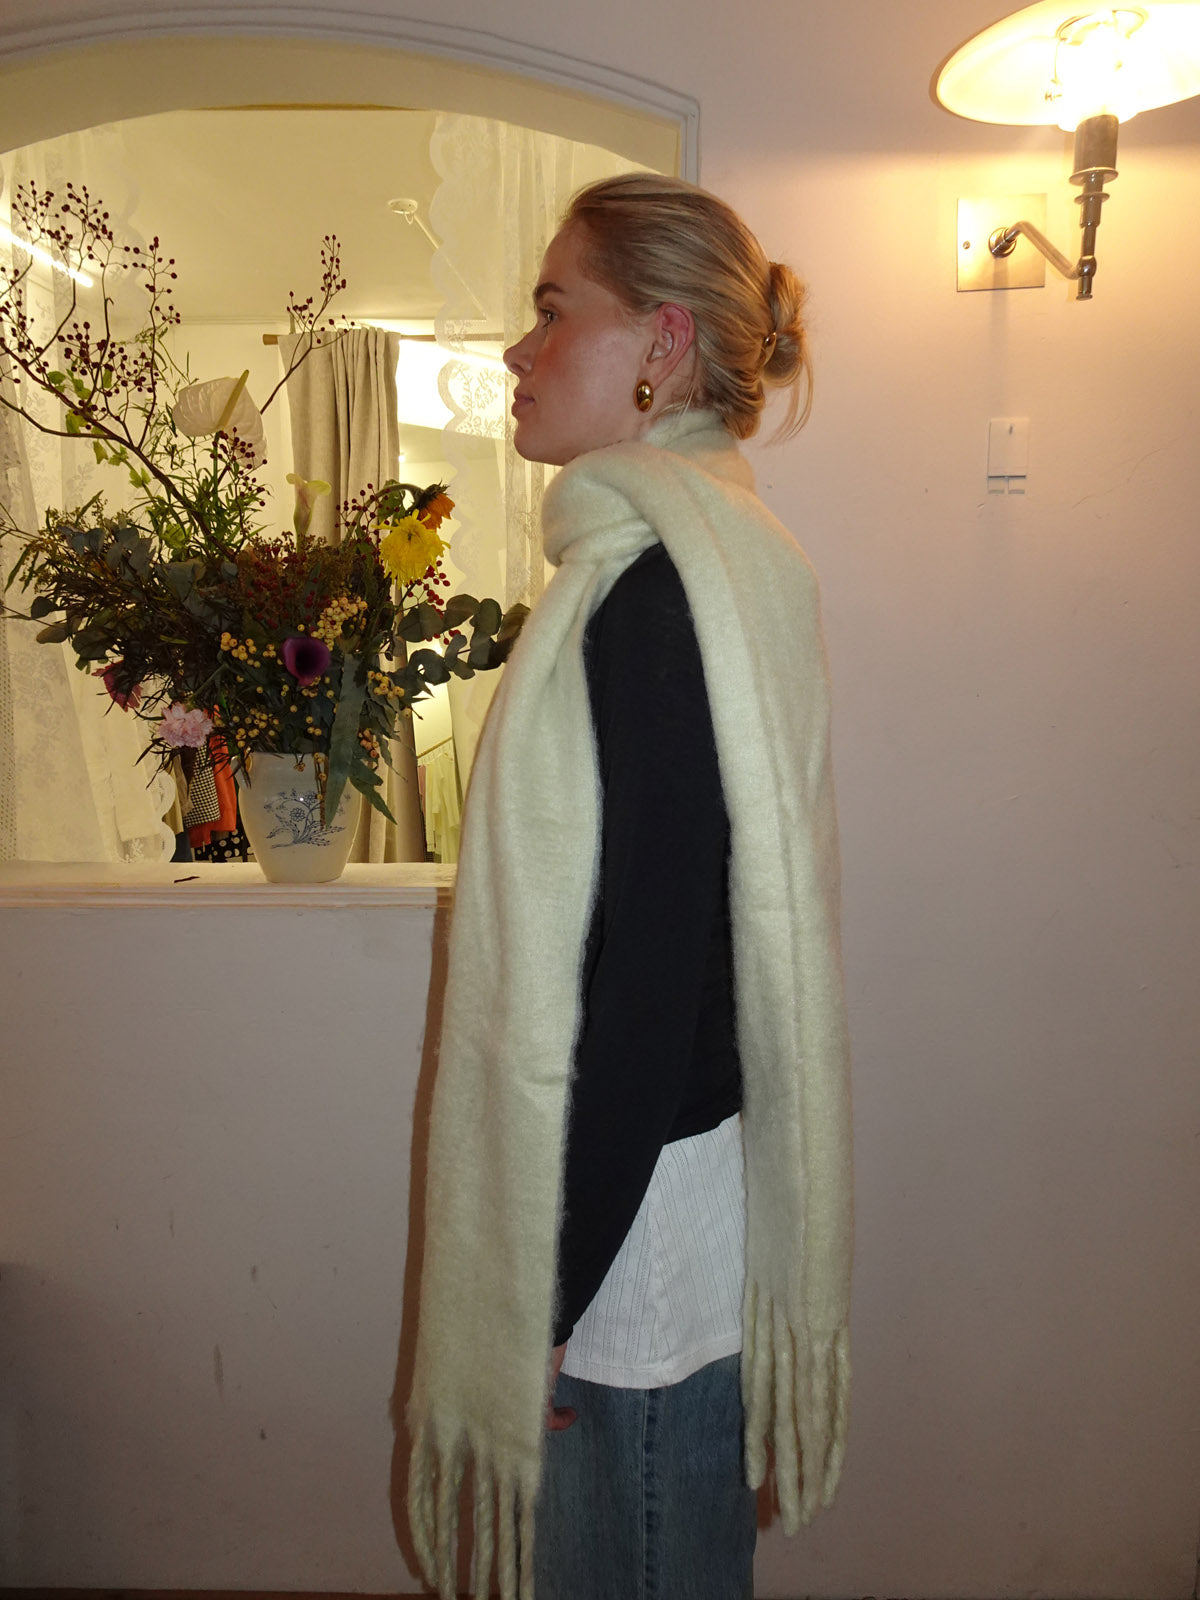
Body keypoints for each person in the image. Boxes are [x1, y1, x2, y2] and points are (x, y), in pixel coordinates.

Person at [406, 174, 853, 1600]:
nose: (517, 349)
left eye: (554, 310)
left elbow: (648, 984)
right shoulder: (709, 557)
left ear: (662, 342)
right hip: (663, 1193)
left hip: (631, 1233)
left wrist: (537, 1292)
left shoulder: (656, 596)